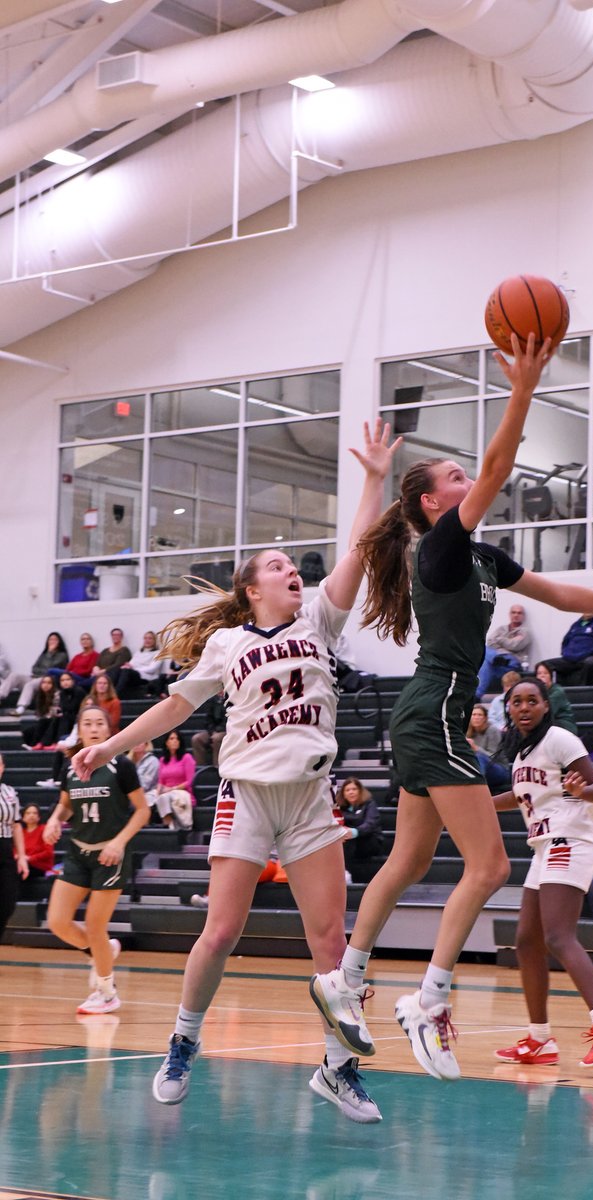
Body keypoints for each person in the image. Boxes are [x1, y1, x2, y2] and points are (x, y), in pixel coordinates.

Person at [309, 333, 593, 1083]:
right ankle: (428, 999)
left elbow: (560, 594)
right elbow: (497, 466)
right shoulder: (440, 550)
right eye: (453, 476)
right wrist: (522, 389)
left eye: (464, 474)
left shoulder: (482, 559)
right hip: (435, 708)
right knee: (486, 866)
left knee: (410, 859)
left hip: (434, 714)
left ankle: (346, 980)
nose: (469, 480)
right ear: (433, 503)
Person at [69, 419, 399, 1124]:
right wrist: (110, 746)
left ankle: (337, 1071)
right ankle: (182, 1042)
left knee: (328, 944)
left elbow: (360, 553)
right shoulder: (224, 643)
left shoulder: (318, 621)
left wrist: (372, 478)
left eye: (290, 565)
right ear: (253, 589)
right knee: (220, 933)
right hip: (246, 797)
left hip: (309, 796)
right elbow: (171, 708)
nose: (291, 570)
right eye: (278, 565)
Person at [490, 678, 593, 1067]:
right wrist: (476, 806)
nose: (523, 707)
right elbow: (518, 798)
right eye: (516, 701)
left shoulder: (559, 739)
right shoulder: (521, 755)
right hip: (544, 846)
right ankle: (540, 1040)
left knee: (557, 935)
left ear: (545, 705)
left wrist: (582, 791)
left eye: (531, 700)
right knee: (526, 941)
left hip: (570, 839)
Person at [44, 705, 149, 1013]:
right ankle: (102, 952)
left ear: (108, 729)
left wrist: (119, 842)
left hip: (110, 854)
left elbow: (143, 811)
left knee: (94, 924)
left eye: (98, 723)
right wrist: (53, 820)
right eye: (86, 723)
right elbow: (65, 807)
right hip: (78, 851)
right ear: (80, 729)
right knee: (58, 922)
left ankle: (107, 992)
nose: (92, 728)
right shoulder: (71, 768)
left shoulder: (121, 766)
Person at [1, 632, 68, 712]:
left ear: (59, 642)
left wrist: (50, 654)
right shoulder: (44, 655)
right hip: (35, 678)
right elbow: (34, 668)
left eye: (55, 639)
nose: (52, 641)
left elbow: (50, 669)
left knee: (30, 684)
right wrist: (43, 668)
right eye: (50, 639)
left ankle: (21, 707)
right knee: (14, 676)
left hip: (48, 681)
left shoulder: (62, 655)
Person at [0, 755, 29, 938]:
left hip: (5, 850)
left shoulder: (10, 792)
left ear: (3, 767)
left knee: (7, 904)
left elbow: (17, 825)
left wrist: (23, 856)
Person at [541, 614, 593, 686]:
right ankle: (560, 690)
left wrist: (587, 653)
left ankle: (583, 693)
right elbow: (565, 641)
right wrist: (566, 653)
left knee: (590, 663)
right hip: (571, 658)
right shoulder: (576, 624)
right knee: (546, 665)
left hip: (591, 657)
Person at [476, 604, 532, 697]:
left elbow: (516, 645)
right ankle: (477, 696)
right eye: (513, 612)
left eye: (519, 613)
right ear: (510, 614)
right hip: (499, 662)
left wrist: (499, 640)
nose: (516, 615)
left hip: (513, 662)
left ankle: (477, 695)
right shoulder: (501, 629)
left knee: (487, 656)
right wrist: (508, 643)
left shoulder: (525, 632)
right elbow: (490, 641)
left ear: (523, 616)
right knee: (485, 656)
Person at [336, 778, 384, 876]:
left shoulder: (369, 804)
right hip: (349, 844)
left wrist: (353, 832)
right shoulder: (340, 808)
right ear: (343, 794)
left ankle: (345, 873)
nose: (351, 792)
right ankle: (344, 873)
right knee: (345, 840)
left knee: (348, 838)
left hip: (370, 842)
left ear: (360, 791)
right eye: (347, 790)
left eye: (354, 789)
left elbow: (371, 824)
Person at [155, 729, 197, 830]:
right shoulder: (162, 760)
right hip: (166, 792)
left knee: (164, 798)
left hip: (182, 792)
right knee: (152, 797)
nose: (175, 741)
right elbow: (160, 782)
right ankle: (169, 825)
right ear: (166, 743)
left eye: (177, 739)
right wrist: (157, 792)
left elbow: (190, 781)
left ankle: (170, 825)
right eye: (172, 738)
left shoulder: (187, 758)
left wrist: (172, 789)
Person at [466, 704, 510, 791]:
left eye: (480, 715)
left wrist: (476, 748)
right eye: (474, 715)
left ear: (485, 718)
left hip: (500, 769)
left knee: (479, 757)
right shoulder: (468, 732)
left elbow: (493, 756)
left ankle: (476, 788)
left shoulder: (492, 730)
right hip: (479, 768)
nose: (476, 717)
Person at [111, 630, 164, 698]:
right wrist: (127, 666)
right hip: (135, 675)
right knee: (118, 669)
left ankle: (115, 694)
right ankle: (109, 692)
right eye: (145, 638)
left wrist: (134, 669)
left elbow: (152, 669)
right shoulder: (138, 652)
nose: (147, 640)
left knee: (126, 671)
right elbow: (130, 665)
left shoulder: (158, 653)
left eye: (150, 638)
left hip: (146, 677)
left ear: (154, 640)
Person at [19, 803, 55, 898]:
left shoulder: (44, 830)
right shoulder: (20, 832)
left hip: (40, 866)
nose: (31, 815)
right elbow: (15, 850)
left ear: (39, 817)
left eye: (35, 813)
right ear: (23, 817)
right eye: (28, 813)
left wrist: (29, 858)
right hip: (24, 864)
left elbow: (48, 853)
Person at [534, 661, 578, 732]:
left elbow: (548, 713)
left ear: (550, 676)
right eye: (539, 673)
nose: (542, 676)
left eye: (545, 673)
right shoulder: (538, 691)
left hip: (564, 725)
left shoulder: (557, 692)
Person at [21, 676, 61, 749]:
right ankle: (32, 745)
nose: (46, 685)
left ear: (53, 685)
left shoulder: (57, 695)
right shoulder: (40, 696)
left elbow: (54, 712)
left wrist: (44, 717)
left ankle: (34, 745)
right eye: (44, 682)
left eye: (49, 683)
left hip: (55, 721)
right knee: (27, 731)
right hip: (45, 720)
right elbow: (39, 714)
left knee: (42, 723)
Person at [191, 692, 228, 768]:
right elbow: (208, 720)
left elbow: (229, 719)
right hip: (214, 731)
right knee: (196, 739)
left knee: (216, 738)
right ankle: (201, 768)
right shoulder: (213, 700)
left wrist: (217, 731)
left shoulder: (230, 699)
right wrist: (212, 731)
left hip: (227, 730)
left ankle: (216, 768)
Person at [129, 741, 161, 816]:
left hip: (147, 794)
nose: (136, 744)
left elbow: (145, 785)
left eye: (139, 742)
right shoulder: (127, 760)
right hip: (130, 794)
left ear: (146, 744)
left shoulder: (153, 761)